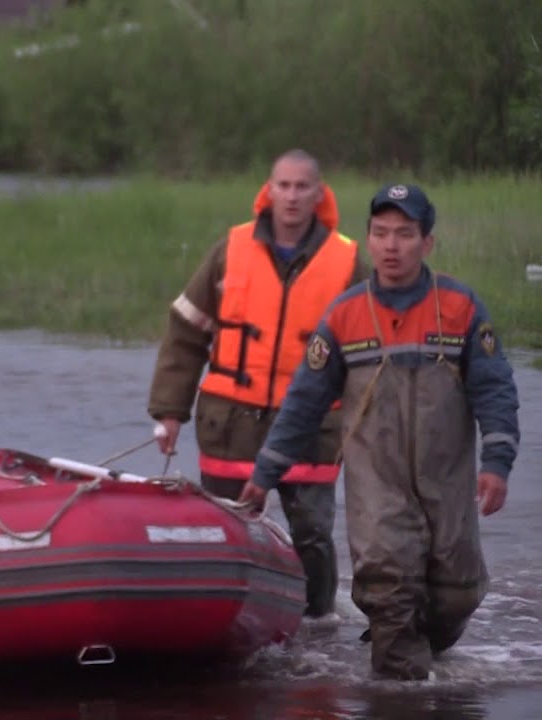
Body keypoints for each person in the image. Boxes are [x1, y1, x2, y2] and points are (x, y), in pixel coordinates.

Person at [238, 183, 521, 680]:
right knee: (390, 594)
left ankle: (412, 655)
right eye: (381, 233)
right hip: (378, 491)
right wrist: (265, 474)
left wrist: (497, 462)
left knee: (458, 592)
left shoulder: (460, 308)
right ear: (368, 240)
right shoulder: (345, 316)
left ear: (427, 242)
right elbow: (303, 405)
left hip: (447, 486)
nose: (392, 246)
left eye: (405, 234)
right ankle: (398, 686)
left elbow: (495, 389)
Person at [146, 149, 366, 619]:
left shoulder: (346, 262)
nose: (290, 196)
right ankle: (224, 616)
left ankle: (318, 623)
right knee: (225, 530)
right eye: (282, 185)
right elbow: (186, 332)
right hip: (230, 423)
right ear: (267, 190)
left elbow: (367, 359)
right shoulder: (231, 250)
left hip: (312, 431)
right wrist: (169, 412)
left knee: (312, 535)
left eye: (301, 186)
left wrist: (366, 429)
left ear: (319, 193)